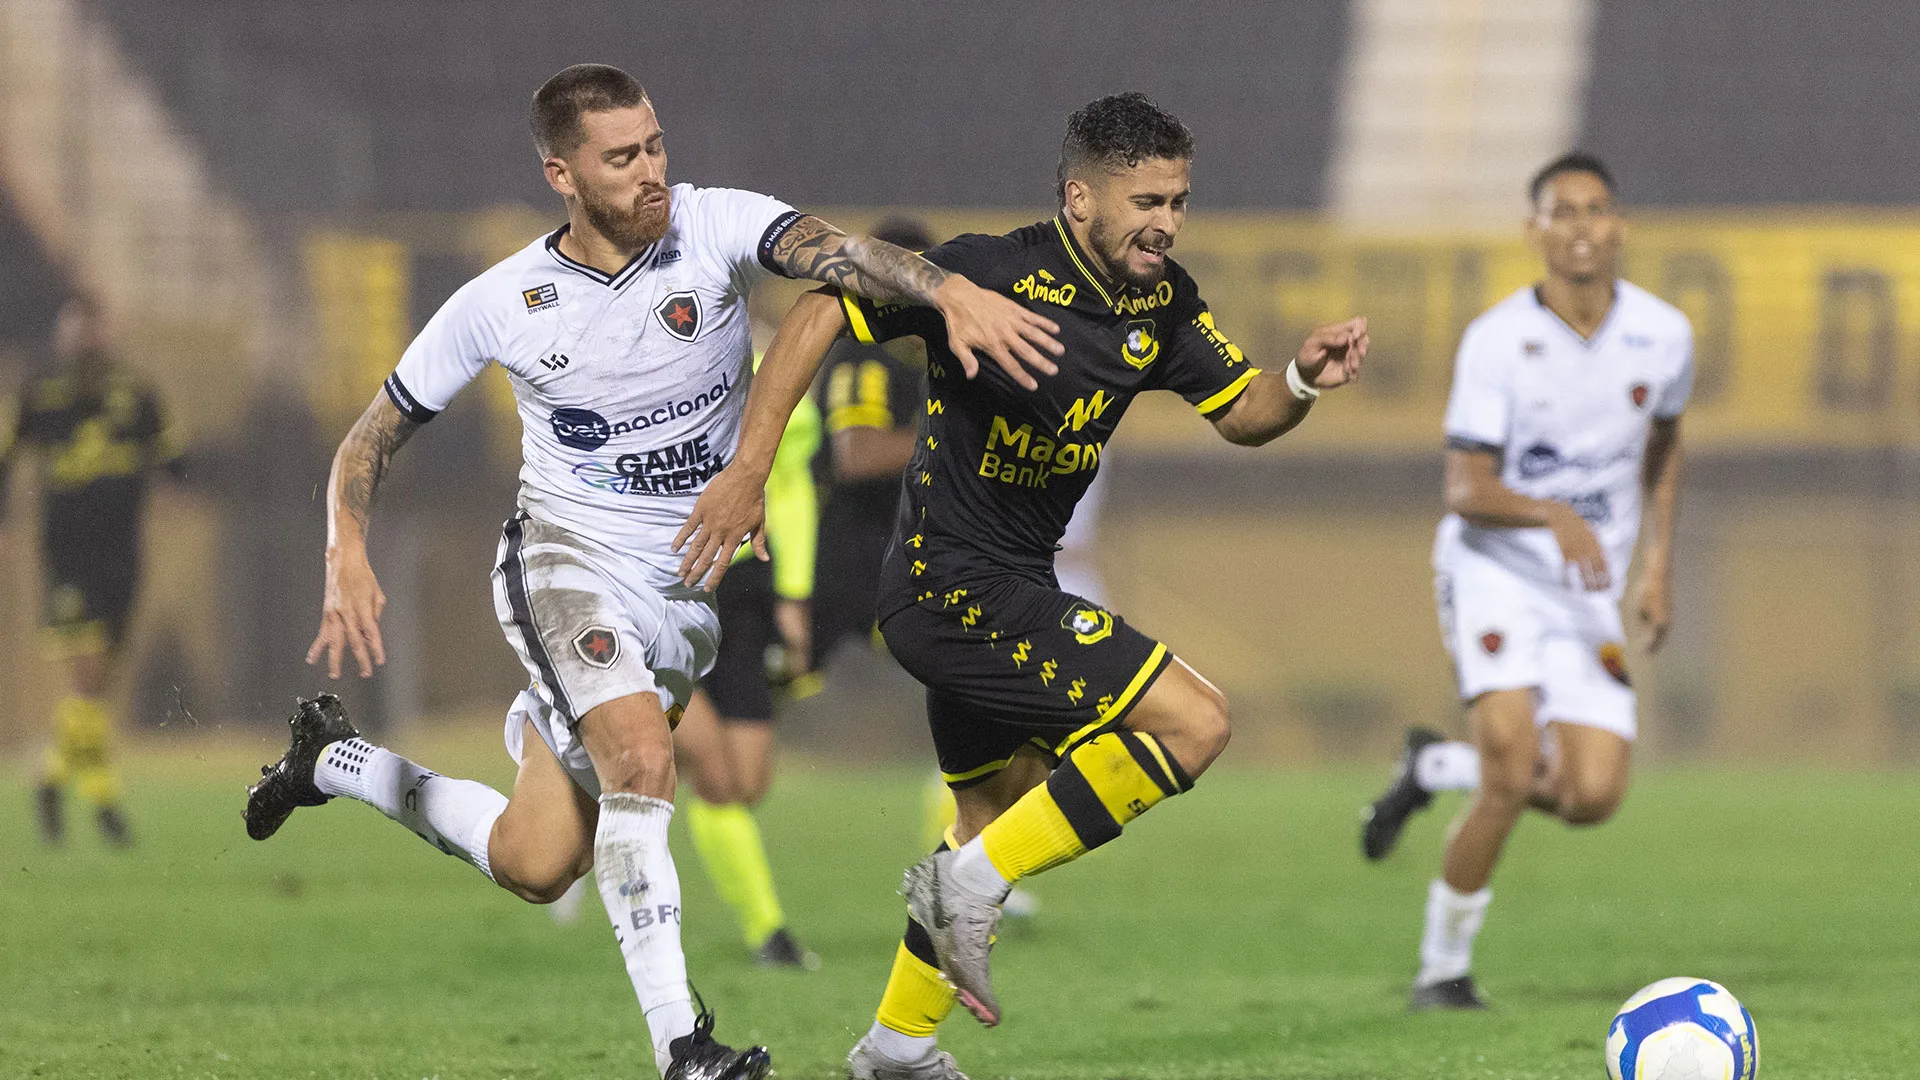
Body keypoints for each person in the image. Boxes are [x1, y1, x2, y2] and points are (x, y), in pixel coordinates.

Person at [241, 63, 1059, 1080]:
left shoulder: (713, 228)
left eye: (656, 145)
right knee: (643, 764)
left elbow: (839, 255)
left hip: (684, 599)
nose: (650, 171)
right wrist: (345, 551)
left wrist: (946, 289)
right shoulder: (503, 301)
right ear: (563, 173)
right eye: (621, 157)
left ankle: (332, 762)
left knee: (537, 864)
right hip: (564, 562)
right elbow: (370, 436)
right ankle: (686, 1047)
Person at [677, 92, 1368, 1080]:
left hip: (1004, 584)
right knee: (1195, 725)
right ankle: (967, 886)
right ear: (1080, 197)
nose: (1166, 221)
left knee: (993, 818)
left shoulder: (1162, 302)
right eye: (1146, 200)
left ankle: (897, 1045)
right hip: (947, 586)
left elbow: (1243, 411)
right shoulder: (990, 270)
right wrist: (748, 469)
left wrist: (1298, 381)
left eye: (1178, 199)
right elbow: (822, 306)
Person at [1357, 152, 1690, 1010]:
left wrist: (1657, 564)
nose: (1581, 226)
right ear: (1534, 230)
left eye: (1596, 209)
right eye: (1562, 211)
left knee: (1591, 796)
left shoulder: (1665, 334)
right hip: (1495, 570)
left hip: (1588, 589)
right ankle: (1442, 972)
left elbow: (1664, 445)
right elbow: (1466, 487)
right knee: (1511, 772)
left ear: (1619, 225)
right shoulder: (1497, 340)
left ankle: (1434, 767)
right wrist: (1554, 515)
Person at [0, 293, 183, 847]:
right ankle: (100, 800)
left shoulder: (137, 394)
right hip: (67, 551)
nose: (83, 336)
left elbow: (175, 462)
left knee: (99, 684)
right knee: (88, 673)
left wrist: (185, 490)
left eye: (92, 327)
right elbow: (7, 461)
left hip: (123, 553)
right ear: (63, 332)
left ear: (107, 331)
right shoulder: (42, 393)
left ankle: (55, 773)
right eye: (74, 326)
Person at [673, 385, 822, 968]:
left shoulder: (772, 382)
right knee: (711, 770)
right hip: (662, 591)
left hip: (739, 591)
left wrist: (794, 595)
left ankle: (594, 773)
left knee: (748, 780)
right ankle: (769, 933)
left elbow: (790, 489)